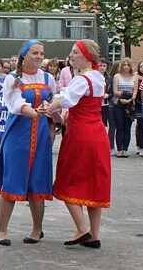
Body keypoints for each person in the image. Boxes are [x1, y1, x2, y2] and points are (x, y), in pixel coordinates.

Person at [44, 40, 111, 248]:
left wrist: (49, 106)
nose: (71, 56)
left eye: (75, 52)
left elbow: (66, 98)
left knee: (68, 179)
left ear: (85, 55)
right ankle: (94, 234)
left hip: (81, 135)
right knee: (94, 182)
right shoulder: (98, 77)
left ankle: (82, 229)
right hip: (98, 133)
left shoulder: (82, 79)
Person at [0, 40, 57, 246]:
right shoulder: (13, 78)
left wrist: (54, 112)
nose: (39, 56)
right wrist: (32, 111)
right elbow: (13, 103)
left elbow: (54, 100)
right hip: (18, 131)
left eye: (42, 53)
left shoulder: (48, 77)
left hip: (40, 134)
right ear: (24, 54)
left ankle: (37, 229)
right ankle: (2, 231)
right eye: (35, 53)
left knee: (37, 180)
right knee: (12, 178)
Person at [111, 58, 137, 157]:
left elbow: (135, 91)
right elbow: (115, 91)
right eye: (124, 65)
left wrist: (130, 99)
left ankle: (125, 149)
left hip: (130, 104)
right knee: (120, 127)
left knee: (127, 127)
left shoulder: (134, 77)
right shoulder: (117, 76)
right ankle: (119, 149)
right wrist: (121, 96)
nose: (126, 67)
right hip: (119, 103)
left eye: (128, 65)